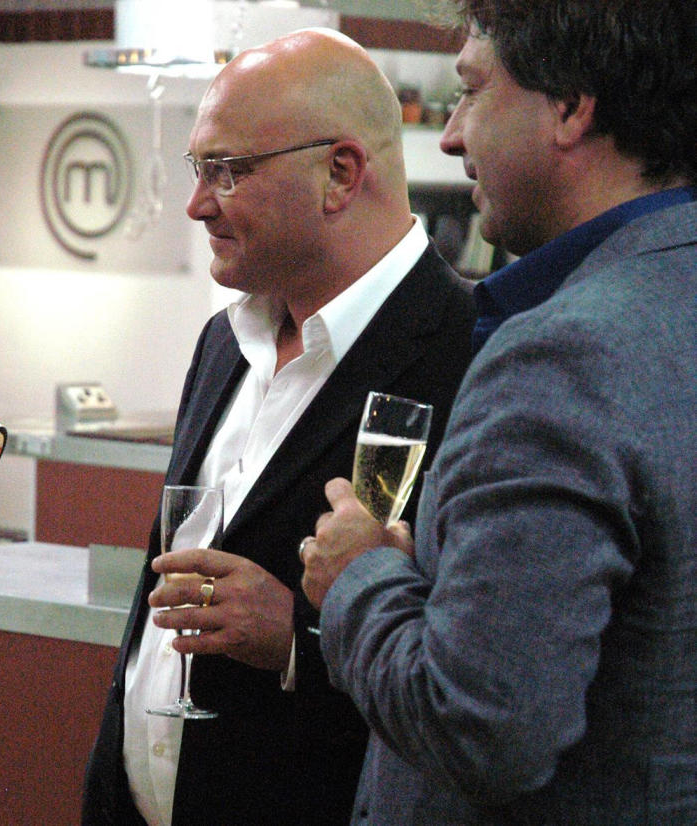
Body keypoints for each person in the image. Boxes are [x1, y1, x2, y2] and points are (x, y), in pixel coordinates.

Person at [301, 1, 697, 822]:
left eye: (473, 92)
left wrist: (359, 576)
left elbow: (482, 727)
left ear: (570, 106)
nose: (450, 137)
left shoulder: (562, 357)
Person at [82, 28, 475, 826]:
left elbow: (489, 682)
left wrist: (301, 642)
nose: (197, 205)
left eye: (226, 172)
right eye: (200, 170)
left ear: (340, 174)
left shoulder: (474, 354)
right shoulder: (226, 340)